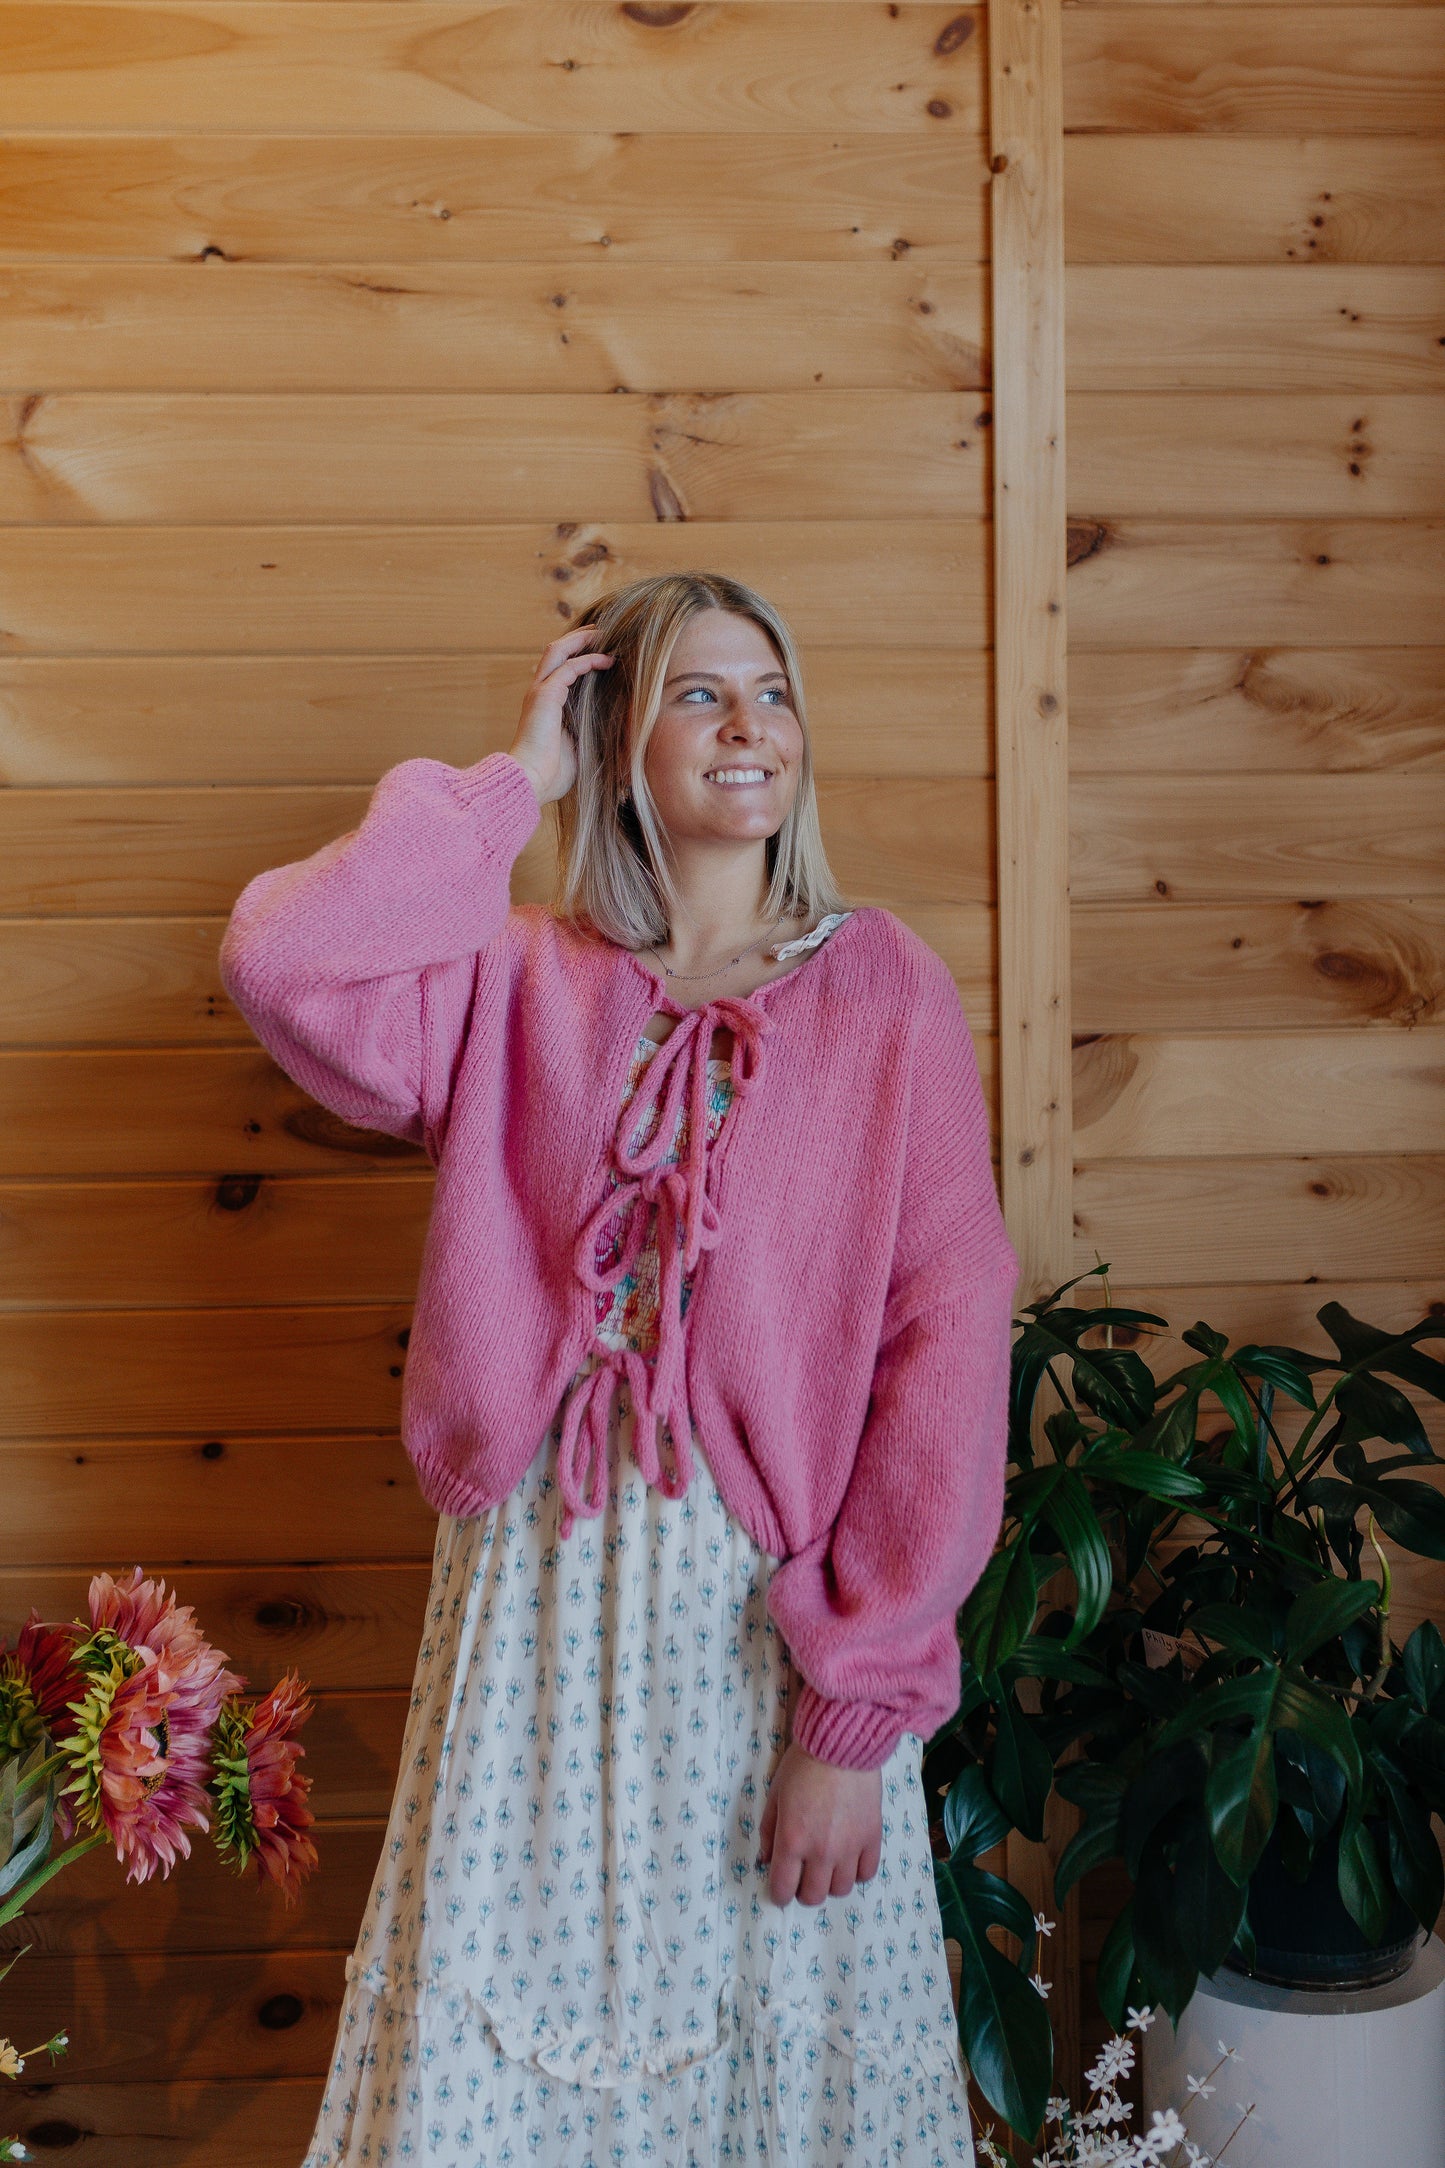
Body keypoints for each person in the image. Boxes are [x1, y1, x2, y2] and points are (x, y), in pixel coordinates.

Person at [217, 569, 1017, 2166]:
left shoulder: (885, 997)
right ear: (618, 736)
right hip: (531, 1602)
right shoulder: (517, 978)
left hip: (760, 1623)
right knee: (516, 2043)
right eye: (695, 695)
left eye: (770, 693)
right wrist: (515, 783)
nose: (746, 728)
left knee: (760, 2033)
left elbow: (943, 1350)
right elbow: (285, 961)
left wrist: (847, 1716)